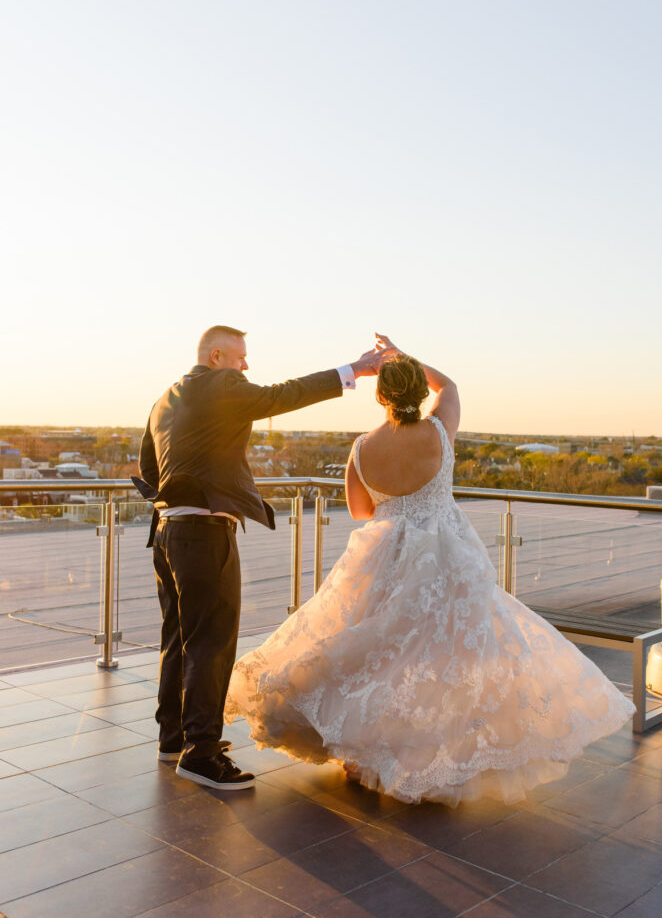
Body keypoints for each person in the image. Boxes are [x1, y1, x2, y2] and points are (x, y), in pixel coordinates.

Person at [225, 334, 635, 806]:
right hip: (446, 555)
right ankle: (427, 756)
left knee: (373, 652)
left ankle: (360, 752)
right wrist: (403, 356)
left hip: (381, 555)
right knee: (441, 658)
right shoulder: (441, 430)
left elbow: (361, 512)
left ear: (381, 397)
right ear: (419, 391)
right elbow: (452, 385)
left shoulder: (361, 449)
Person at [136, 325, 388, 791]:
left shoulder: (165, 399)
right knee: (212, 645)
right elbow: (283, 395)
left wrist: (180, 498)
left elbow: (148, 470)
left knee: (178, 639)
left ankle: (173, 738)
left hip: (168, 531)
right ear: (216, 356)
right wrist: (355, 369)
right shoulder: (222, 385)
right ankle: (202, 755)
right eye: (240, 358)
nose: (246, 367)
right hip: (205, 534)